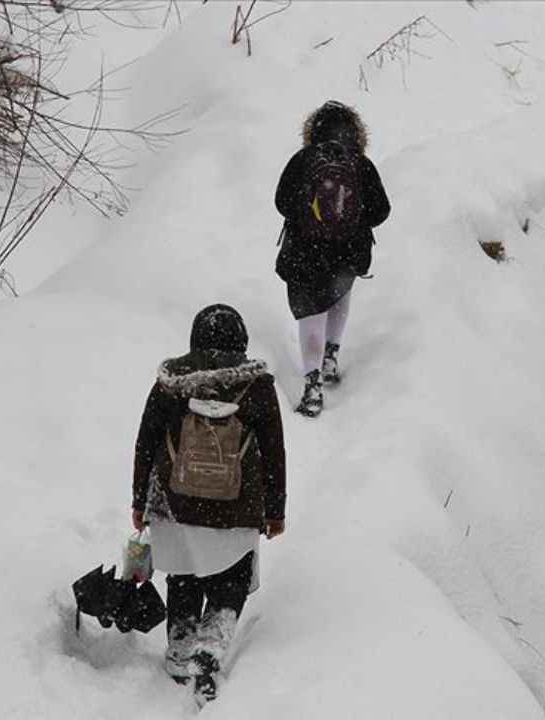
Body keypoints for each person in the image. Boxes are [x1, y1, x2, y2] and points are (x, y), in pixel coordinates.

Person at [131, 304, 286, 706]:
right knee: (230, 577)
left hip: (175, 502)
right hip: (237, 505)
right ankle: (210, 649)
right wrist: (276, 510)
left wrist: (138, 501)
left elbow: (146, 442)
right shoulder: (258, 386)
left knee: (183, 572)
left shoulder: (171, 383)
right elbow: (273, 451)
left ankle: (180, 648)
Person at [274, 100, 391, 417]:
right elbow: (382, 211)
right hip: (346, 253)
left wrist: (308, 216)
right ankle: (331, 357)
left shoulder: (303, 160)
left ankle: (312, 385)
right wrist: (350, 221)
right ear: (356, 133)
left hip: (304, 254)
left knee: (310, 314)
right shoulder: (360, 164)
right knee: (339, 293)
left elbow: (281, 202)